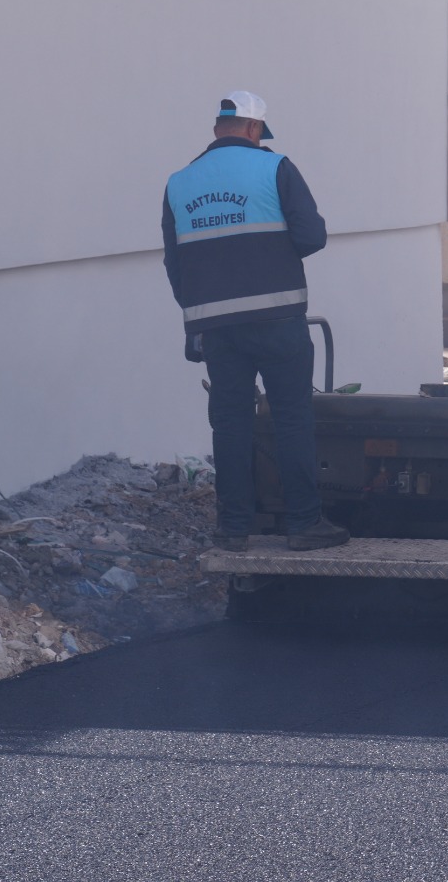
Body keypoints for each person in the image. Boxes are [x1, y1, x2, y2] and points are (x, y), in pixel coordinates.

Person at [161, 92, 349, 553]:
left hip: (217, 327)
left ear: (217, 129)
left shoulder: (179, 183)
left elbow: (175, 264)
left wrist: (196, 320)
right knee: (290, 417)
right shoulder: (276, 167)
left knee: (229, 422)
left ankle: (233, 529)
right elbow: (312, 237)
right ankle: (303, 524)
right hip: (277, 318)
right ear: (252, 129)